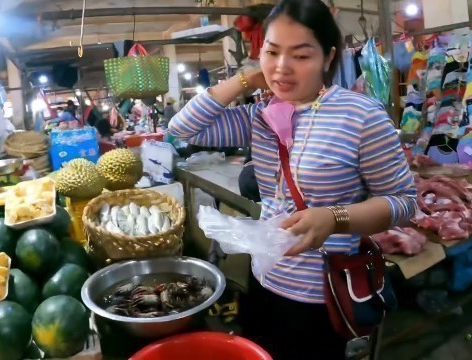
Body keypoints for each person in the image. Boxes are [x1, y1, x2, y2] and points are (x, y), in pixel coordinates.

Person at [168, 1, 417, 358]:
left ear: (328, 58)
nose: (282, 68)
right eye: (272, 52)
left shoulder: (361, 116)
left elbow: (403, 202)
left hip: (322, 294)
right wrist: (246, 78)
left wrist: (334, 218)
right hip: (265, 278)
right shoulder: (261, 115)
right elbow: (180, 128)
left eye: (300, 56)